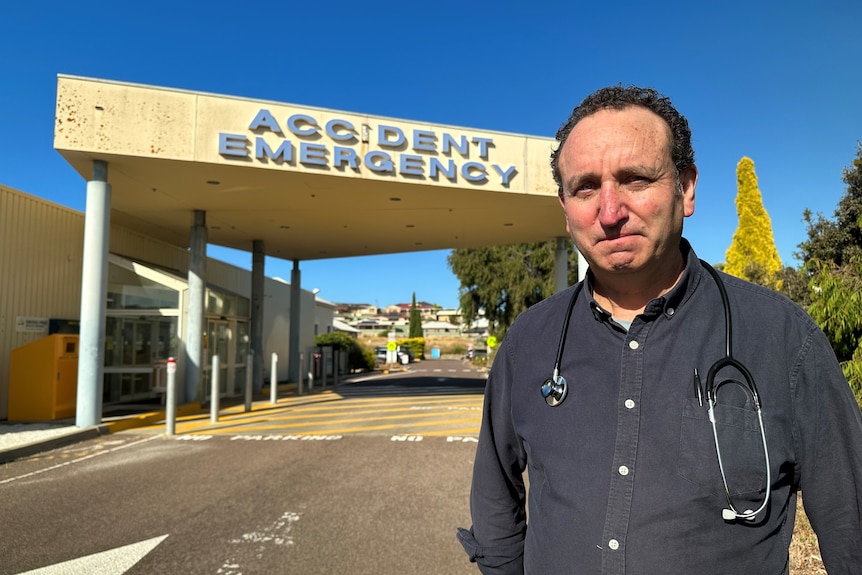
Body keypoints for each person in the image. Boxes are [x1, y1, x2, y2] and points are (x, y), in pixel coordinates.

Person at [457, 85, 862, 574]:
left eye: (635, 179)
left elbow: (851, 523)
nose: (610, 212)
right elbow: (495, 497)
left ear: (686, 188)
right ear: (565, 209)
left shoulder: (781, 337)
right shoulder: (529, 342)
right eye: (585, 188)